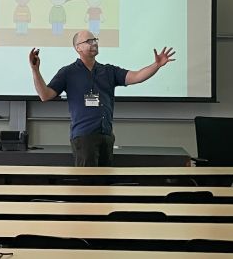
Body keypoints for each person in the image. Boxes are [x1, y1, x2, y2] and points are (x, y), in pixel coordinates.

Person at [29, 30, 175, 167]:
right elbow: (45, 95)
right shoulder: (68, 72)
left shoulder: (108, 71)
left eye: (95, 40)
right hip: (84, 136)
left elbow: (136, 76)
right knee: (88, 186)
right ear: (78, 48)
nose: (94, 43)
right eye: (89, 41)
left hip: (106, 135)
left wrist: (156, 65)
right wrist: (35, 70)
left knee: (105, 185)